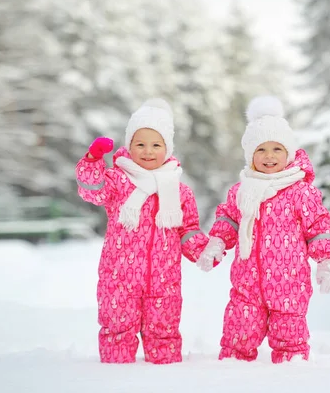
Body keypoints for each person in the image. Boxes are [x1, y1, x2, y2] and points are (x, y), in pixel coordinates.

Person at [76, 98, 222, 364]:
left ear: (167, 148)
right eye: (140, 144)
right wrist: (93, 160)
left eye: (156, 145)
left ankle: (165, 378)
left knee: (163, 331)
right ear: (129, 146)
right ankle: (115, 375)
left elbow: (187, 229)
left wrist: (203, 250)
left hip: (163, 280)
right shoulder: (118, 181)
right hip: (119, 276)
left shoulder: (179, 190)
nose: (147, 151)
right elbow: (92, 191)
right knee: (117, 327)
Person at [197, 96, 330, 363]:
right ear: (251, 156)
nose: (269, 156)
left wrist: (325, 261)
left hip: (290, 286)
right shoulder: (242, 190)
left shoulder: (300, 192)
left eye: (277, 149)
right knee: (238, 336)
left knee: (290, 342)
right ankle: (230, 377)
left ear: (289, 153)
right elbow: (228, 220)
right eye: (261, 150)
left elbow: (318, 226)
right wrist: (216, 243)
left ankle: (290, 378)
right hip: (247, 285)